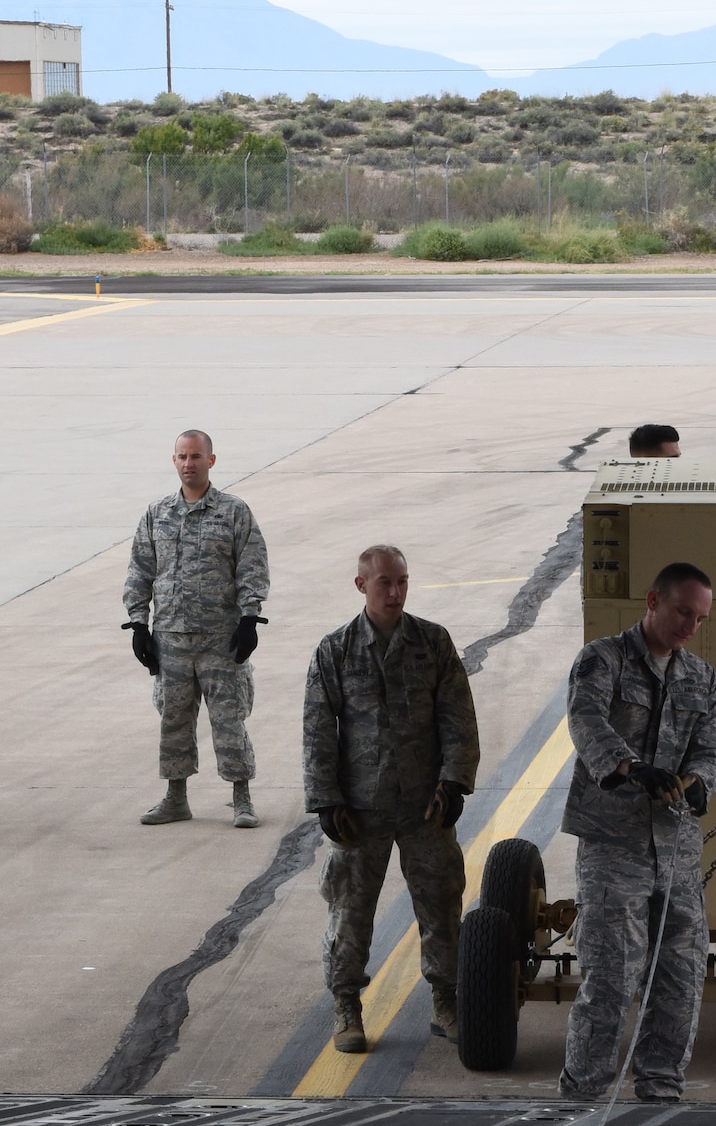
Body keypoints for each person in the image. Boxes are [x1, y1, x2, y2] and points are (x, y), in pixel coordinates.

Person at [302, 545, 480, 1056]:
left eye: (402, 581)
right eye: (385, 583)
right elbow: (318, 729)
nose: (396, 592)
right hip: (361, 808)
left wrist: (454, 783)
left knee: (441, 901)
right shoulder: (334, 651)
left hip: (426, 806)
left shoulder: (432, 642)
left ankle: (446, 1000)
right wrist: (325, 800)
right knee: (350, 908)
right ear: (361, 586)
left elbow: (457, 717)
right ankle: (346, 1006)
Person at [560, 562, 716, 1103]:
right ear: (653, 600)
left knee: (680, 973)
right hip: (614, 846)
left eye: (699, 619)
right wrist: (630, 767)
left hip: (675, 847)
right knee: (611, 977)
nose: (689, 627)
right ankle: (584, 1095)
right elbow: (586, 720)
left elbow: (711, 744)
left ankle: (659, 1087)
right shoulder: (602, 659)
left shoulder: (700, 677)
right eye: (682, 612)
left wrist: (702, 780)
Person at [123, 429, 270, 829]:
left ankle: (242, 798)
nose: (189, 463)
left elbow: (252, 566)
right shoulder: (157, 514)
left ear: (211, 460)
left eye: (196, 456)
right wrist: (139, 624)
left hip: (220, 640)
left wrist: (249, 618)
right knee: (173, 719)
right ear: (174, 461)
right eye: (182, 457)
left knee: (229, 718)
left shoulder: (234, 512)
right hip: (170, 639)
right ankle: (176, 797)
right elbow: (140, 570)